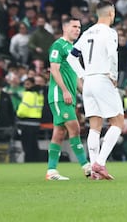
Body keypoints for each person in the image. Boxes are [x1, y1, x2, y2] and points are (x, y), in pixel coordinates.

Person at [76, 1, 125, 180]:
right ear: (111, 13)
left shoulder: (87, 32)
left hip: (88, 81)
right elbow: (112, 54)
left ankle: (94, 171)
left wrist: (82, 75)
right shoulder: (110, 32)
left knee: (95, 125)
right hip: (103, 78)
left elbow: (72, 56)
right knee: (118, 121)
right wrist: (114, 75)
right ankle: (100, 163)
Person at [46, 17, 92, 180]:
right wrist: (65, 91)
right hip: (59, 96)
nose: (77, 30)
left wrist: (86, 93)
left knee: (59, 133)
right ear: (65, 28)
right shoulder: (58, 45)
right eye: (74, 26)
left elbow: (75, 77)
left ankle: (51, 171)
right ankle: (87, 167)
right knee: (75, 129)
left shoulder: (72, 48)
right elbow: (54, 69)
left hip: (69, 97)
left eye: (79, 27)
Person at [15, 75, 45, 162]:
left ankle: (28, 161)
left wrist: (18, 114)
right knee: (34, 144)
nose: (25, 86)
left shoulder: (28, 94)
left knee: (27, 146)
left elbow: (22, 110)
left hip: (26, 123)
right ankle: (35, 160)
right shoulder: (39, 95)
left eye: (27, 84)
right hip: (36, 123)